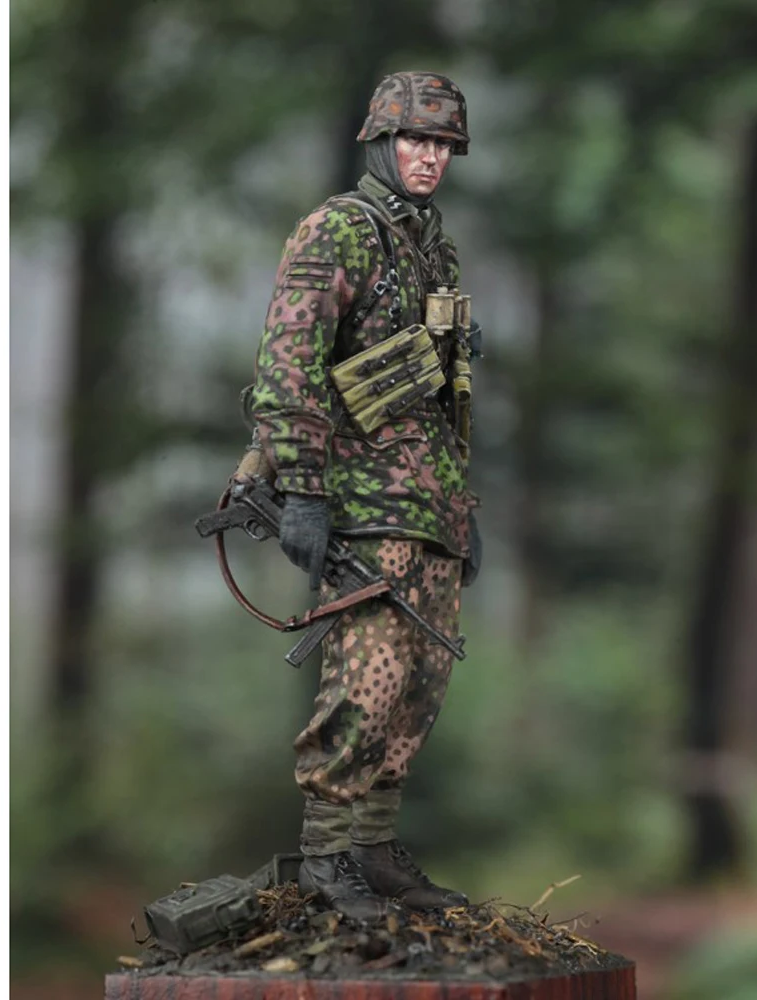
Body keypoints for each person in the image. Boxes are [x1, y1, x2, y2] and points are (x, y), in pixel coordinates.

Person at [232, 71, 482, 921]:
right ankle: (325, 856)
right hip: (363, 505)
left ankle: (373, 849)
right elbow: (289, 363)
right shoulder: (339, 229)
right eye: (416, 140)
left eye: (444, 144)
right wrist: (304, 488)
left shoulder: (432, 246)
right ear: (380, 142)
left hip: (429, 503)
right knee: (365, 682)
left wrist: (462, 508)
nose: (430, 157)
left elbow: (445, 396)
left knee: (419, 685)